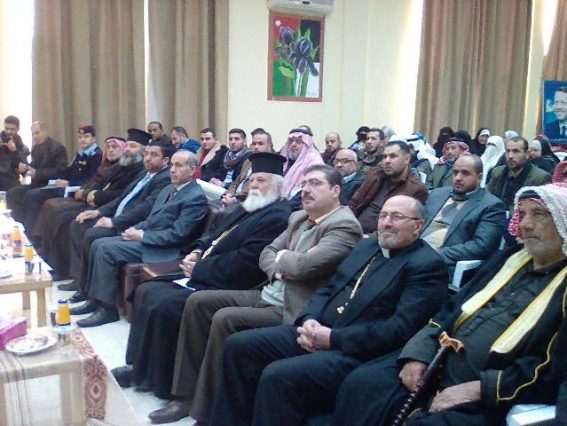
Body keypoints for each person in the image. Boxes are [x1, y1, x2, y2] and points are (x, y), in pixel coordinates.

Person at [333, 182, 567, 426]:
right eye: (523, 214)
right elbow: (451, 309)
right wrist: (418, 354)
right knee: (362, 383)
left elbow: (550, 369)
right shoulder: (508, 258)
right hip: (437, 362)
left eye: (538, 214)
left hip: (492, 393)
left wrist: (483, 388)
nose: (526, 224)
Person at [145, 164, 362, 424]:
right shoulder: (299, 217)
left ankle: (209, 408)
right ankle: (185, 394)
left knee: (225, 318)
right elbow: (267, 253)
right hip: (266, 292)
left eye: (315, 183)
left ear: (336, 190)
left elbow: (303, 267)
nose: (306, 190)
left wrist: (284, 258)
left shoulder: (344, 226)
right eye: (304, 184)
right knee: (198, 301)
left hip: (293, 307)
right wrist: (282, 266)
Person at [209, 195, 449, 426]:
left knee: (278, 375)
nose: (386, 222)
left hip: (356, 352)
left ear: (418, 226)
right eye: (383, 215)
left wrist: (333, 339)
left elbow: (398, 330)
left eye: (396, 217)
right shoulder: (367, 246)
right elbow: (329, 288)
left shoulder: (426, 266)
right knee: (240, 346)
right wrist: (309, 319)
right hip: (320, 332)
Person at [111, 153, 292, 402]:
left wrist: (198, 269)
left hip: (229, 281)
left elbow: (246, 262)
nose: (253, 185)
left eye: (261, 180)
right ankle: (140, 367)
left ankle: (166, 383)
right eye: (252, 180)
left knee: (165, 304)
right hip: (204, 268)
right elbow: (214, 233)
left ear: (277, 186)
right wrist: (197, 250)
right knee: (146, 290)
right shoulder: (249, 205)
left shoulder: (278, 216)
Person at [69, 150, 208, 327]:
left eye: (178, 166)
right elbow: (152, 219)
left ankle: (107, 309)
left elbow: (178, 235)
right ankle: (94, 299)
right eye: (172, 165)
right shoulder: (169, 189)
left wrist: (142, 235)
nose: (172, 169)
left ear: (193, 170)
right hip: (150, 239)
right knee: (97, 243)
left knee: (105, 249)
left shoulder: (195, 197)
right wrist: (135, 229)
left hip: (166, 249)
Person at [60, 129, 171, 294]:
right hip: (117, 217)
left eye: (153, 155)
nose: (147, 158)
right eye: (146, 154)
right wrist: (98, 212)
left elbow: (144, 209)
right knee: (79, 224)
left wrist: (113, 222)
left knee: (92, 235)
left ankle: (88, 290)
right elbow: (122, 198)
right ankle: (81, 282)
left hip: (131, 224)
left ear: (165, 160)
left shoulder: (164, 178)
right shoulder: (146, 173)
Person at [38, 137, 144, 280]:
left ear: (143, 151)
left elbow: (120, 195)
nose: (128, 149)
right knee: (57, 213)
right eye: (128, 146)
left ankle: (75, 276)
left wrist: (96, 197)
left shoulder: (140, 171)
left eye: (133, 146)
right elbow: (101, 184)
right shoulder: (122, 165)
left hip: (113, 211)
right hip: (101, 205)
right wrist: (89, 194)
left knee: (74, 222)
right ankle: (51, 262)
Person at [421, 154, 506, 279]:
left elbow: (481, 246)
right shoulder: (437, 194)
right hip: (413, 251)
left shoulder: (491, 206)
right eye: (455, 172)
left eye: (465, 173)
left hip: (443, 263)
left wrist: (435, 254)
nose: (458, 178)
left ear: (479, 177)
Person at [21, 125, 102, 237]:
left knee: (35, 196)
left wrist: (69, 183)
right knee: (32, 193)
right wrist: (60, 179)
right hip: (67, 186)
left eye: (86, 136)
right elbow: (70, 171)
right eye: (80, 137)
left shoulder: (96, 155)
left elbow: (90, 180)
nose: (83, 140)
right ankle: (30, 232)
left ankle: (33, 236)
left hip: (76, 190)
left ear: (94, 138)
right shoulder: (81, 153)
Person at [349, 140, 428, 234]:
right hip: (354, 228)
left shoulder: (416, 188)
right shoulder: (376, 173)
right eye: (385, 156)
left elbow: (406, 226)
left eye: (393, 156)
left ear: (407, 159)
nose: (387, 161)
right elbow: (355, 203)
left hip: (382, 236)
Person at [7, 121, 67, 222]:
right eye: (33, 134)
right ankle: (18, 224)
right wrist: (24, 169)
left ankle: (30, 229)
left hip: (51, 186)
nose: (35, 137)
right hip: (36, 184)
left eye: (37, 133)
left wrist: (37, 173)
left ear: (45, 132)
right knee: (12, 193)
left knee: (31, 195)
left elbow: (60, 171)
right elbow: (32, 168)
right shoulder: (35, 148)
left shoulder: (57, 148)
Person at [487, 136, 551, 213]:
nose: (510, 156)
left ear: (526, 154)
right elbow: (487, 198)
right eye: (508, 151)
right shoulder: (497, 172)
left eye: (516, 151)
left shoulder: (540, 178)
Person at [221, 128, 273, 207]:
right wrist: (228, 194)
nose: (256, 147)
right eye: (254, 144)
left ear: (269, 146)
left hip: (247, 202)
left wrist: (234, 199)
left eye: (260, 144)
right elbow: (236, 182)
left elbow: (253, 190)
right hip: (233, 197)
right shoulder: (249, 160)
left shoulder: (270, 165)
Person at [279, 127, 324, 198]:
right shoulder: (286, 162)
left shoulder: (314, 163)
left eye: (298, 142)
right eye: (291, 141)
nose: (293, 144)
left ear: (307, 144)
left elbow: (309, 192)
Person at [0, 115, 29, 190]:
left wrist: (14, 151)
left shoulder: (22, 147)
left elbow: (24, 171)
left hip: (12, 181)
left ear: (18, 129)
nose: (9, 131)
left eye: (12, 129)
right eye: (6, 128)